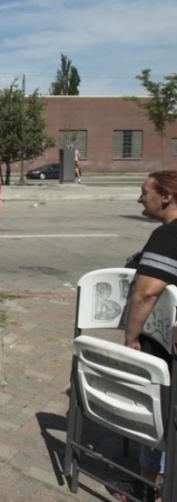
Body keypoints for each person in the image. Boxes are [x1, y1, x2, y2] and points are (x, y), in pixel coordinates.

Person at [121, 171, 177, 501]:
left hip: (166, 346)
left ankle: (152, 487)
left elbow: (145, 293)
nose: (140, 198)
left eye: (145, 192)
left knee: (158, 410)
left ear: (166, 197)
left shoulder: (167, 237)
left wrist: (131, 340)